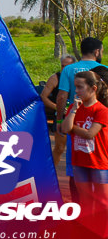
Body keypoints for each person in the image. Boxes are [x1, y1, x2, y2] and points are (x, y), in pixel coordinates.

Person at [57, 37, 103, 195]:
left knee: (74, 163)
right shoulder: (104, 69)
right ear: (97, 51)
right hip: (99, 121)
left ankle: (78, 205)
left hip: (74, 117)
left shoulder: (69, 69)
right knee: (100, 160)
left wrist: (60, 120)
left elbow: (62, 96)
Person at [62, 70, 108, 217]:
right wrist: (74, 110)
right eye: (75, 87)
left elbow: (90, 134)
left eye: (80, 87)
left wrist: (73, 128)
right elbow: (64, 129)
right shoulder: (74, 109)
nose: (76, 91)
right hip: (79, 162)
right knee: (85, 201)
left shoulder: (102, 110)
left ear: (93, 88)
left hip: (99, 163)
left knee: (102, 201)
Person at [42, 55, 75, 168]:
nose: (64, 69)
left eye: (67, 66)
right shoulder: (56, 77)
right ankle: (50, 173)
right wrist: (58, 107)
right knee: (60, 148)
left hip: (76, 116)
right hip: (61, 116)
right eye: (62, 66)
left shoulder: (79, 78)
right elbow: (43, 97)